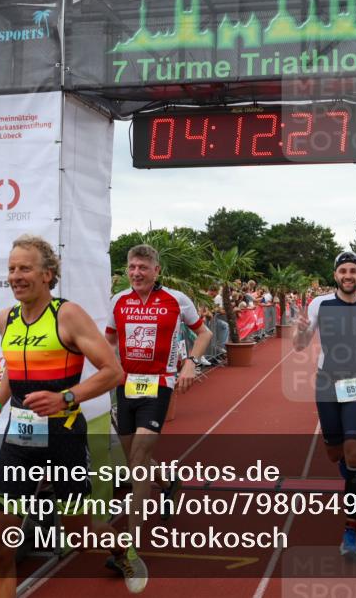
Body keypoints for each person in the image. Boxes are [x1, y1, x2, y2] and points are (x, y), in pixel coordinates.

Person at [0, 235, 137, 597]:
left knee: (78, 534)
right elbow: (14, 370)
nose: (16, 276)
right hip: (20, 437)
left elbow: (112, 371)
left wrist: (65, 397)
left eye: (25, 268)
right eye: (11, 268)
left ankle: (120, 546)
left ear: (47, 275)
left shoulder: (67, 315)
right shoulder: (6, 319)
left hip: (63, 436)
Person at [105, 244, 212, 581]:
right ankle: (167, 480)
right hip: (125, 387)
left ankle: (131, 546)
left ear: (156, 270)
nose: (136, 273)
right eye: (132, 267)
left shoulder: (177, 299)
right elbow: (108, 341)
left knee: (137, 462)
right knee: (134, 460)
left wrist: (190, 364)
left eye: (143, 268)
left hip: (158, 387)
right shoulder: (118, 301)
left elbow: (204, 333)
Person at [294, 250, 356, 559]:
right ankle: (350, 473)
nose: (348, 275)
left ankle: (350, 531)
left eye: (353, 270)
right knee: (334, 453)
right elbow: (300, 345)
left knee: (355, 453)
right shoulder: (319, 304)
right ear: (335, 275)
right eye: (343, 271)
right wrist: (299, 331)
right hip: (327, 384)